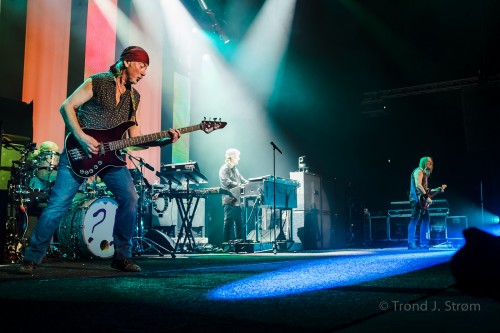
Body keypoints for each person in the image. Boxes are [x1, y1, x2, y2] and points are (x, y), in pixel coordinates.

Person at [19, 46, 180, 274]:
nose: (145, 73)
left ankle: (122, 256)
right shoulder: (99, 81)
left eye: (147, 68)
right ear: (127, 62)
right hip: (79, 153)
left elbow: (133, 141)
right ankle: (32, 258)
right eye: (142, 66)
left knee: (130, 199)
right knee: (57, 205)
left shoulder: (134, 97)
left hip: (111, 159)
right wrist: (82, 137)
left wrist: (162, 141)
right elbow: (67, 106)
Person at [407, 156, 444, 250]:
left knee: (426, 219)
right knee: (414, 220)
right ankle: (411, 243)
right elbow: (418, 185)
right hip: (416, 199)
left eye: (431, 162)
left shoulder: (425, 174)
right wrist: (427, 198)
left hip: (422, 200)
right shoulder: (418, 171)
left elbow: (425, 189)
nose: (430, 164)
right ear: (423, 162)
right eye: (428, 162)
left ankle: (423, 243)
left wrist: (437, 189)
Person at [219, 148, 248, 244]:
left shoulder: (236, 169)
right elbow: (226, 182)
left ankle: (239, 243)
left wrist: (251, 184)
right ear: (232, 157)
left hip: (237, 200)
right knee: (228, 223)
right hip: (228, 199)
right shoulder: (224, 169)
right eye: (237, 156)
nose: (239, 158)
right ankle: (225, 244)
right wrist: (239, 184)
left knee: (239, 222)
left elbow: (243, 180)